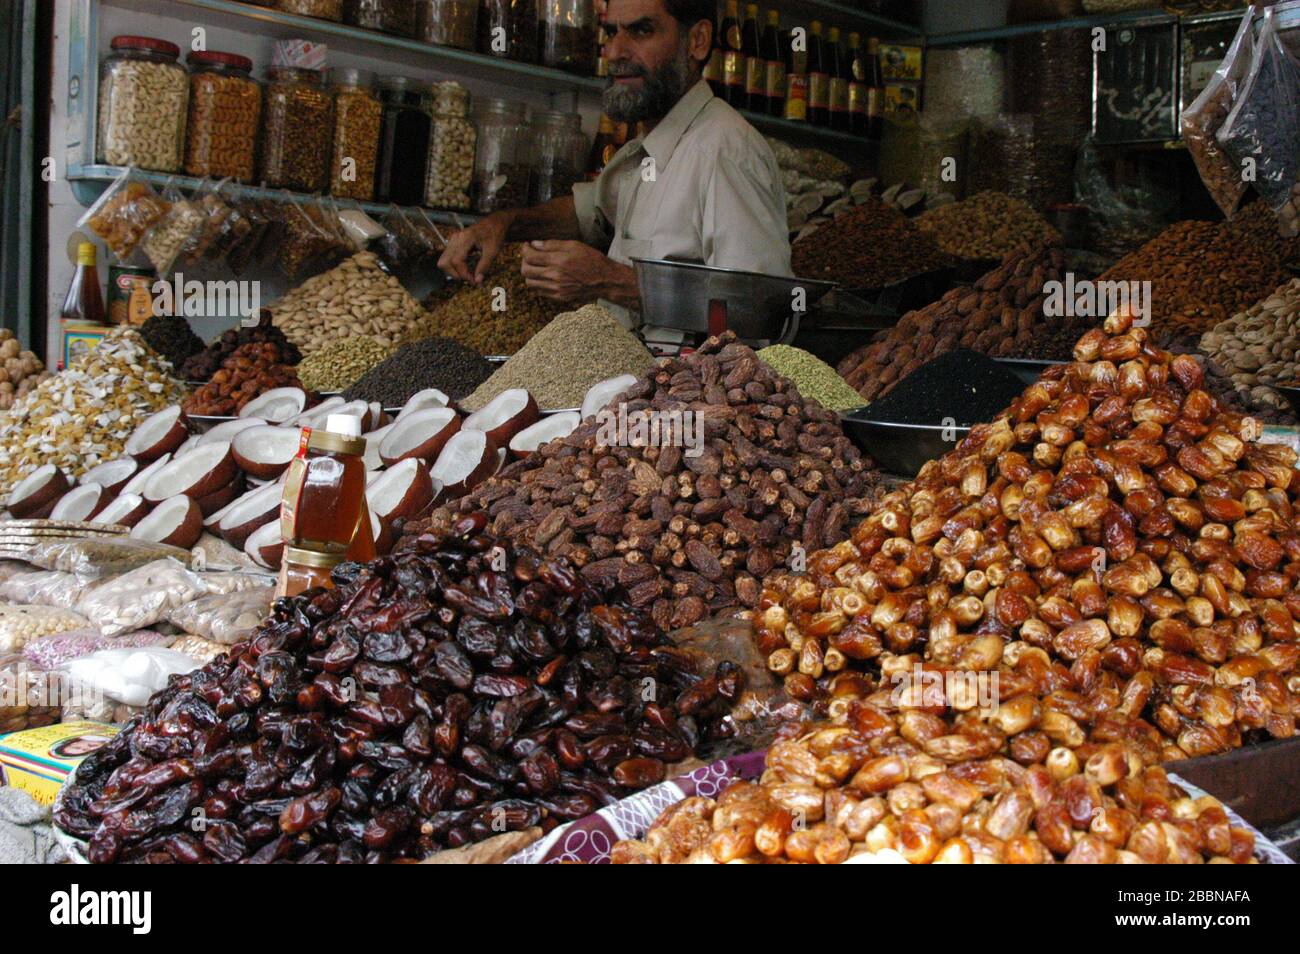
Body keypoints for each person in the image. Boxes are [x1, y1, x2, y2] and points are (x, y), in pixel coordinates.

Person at [438, 0, 791, 315]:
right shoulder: (647, 148)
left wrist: (613, 283)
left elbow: (761, 307)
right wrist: (501, 225)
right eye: (611, 32)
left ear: (697, 40)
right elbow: (588, 213)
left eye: (641, 31)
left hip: (687, 387)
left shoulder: (724, 151)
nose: (616, 51)